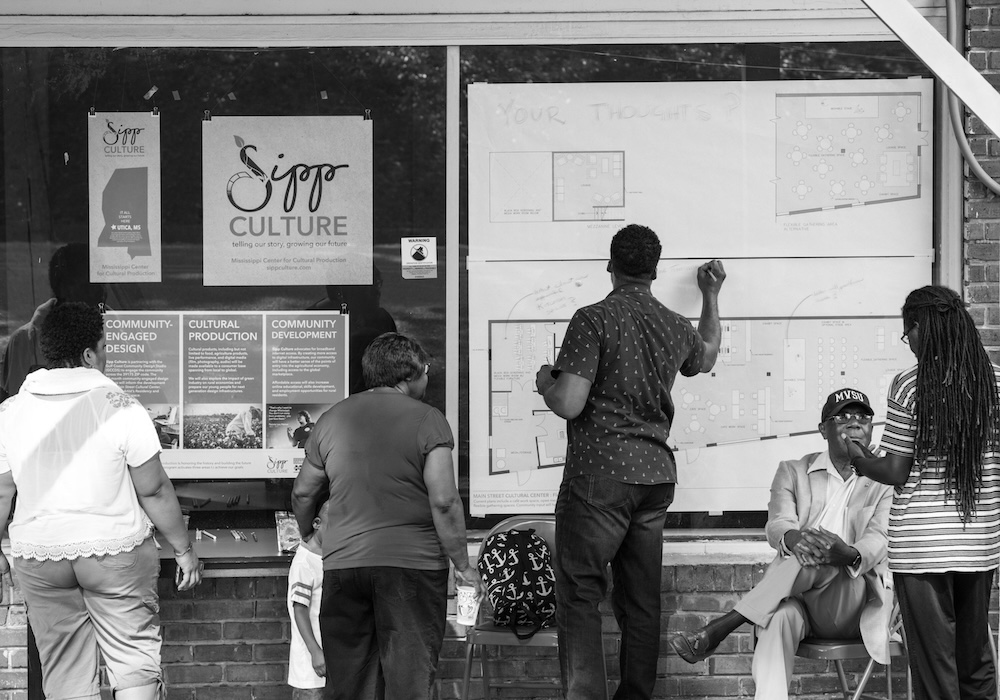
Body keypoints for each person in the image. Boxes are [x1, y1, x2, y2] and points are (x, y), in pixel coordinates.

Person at [534, 223, 725, 700]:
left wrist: (545, 383)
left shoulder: (593, 318)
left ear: (610, 266)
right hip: (655, 479)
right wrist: (711, 295)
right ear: (655, 271)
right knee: (640, 603)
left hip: (600, 476)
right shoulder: (674, 325)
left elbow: (570, 402)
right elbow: (707, 356)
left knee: (580, 596)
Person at [0, 301, 202, 700]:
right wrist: (183, 549)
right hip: (114, 552)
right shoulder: (122, 407)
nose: (107, 355)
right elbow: (155, 489)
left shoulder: (11, 411)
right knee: (132, 659)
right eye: (105, 346)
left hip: (39, 555)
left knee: (65, 669)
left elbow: (2, 491)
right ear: (89, 353)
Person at [291, 331, 483, 700]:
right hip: (412, 569)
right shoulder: (428, 420)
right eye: (426, 370)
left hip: (345, 566)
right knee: (409, 683)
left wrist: (311, 538)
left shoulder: (331, 419)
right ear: (409, 376)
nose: (428, 377)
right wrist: (462, 565)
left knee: (351, 684)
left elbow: (303, 491)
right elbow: (444, 501)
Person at [667, 388, 893, 699]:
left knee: (819, 558)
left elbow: (881, 537)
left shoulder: (885, 478)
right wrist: (798, 539)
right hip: (802, 600)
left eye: (862, 417)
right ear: (822, 429)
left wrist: (846, 553)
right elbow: (779, 523)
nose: (854, 423)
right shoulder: (793, 470)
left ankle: (722, 626)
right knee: (778, 618)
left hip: (853, 600)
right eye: (842, 416)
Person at [844, 285, 1000, 700]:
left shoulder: (911, 384)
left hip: (923, 546)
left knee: (935, 669)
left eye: (907, 332)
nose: (908, 343)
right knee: (975, 661)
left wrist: (860, 458)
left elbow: (896, 469)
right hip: (979, 544)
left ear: (920, 328)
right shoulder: (994, 383)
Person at [1, 242, 107, 401]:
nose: (102, 291)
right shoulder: (24, 340)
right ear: (64, 288)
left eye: (102, 284)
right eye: (90, 284)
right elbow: (14, 402)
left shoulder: (123, 329)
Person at [308, 265, 397, 394]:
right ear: (342, 290)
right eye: (369, 286)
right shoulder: (313, 320)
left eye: (377, 284)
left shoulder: (381, 319)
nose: (377, 291)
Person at [288, 501, 330, 699]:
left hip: (328, 662)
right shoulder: (305, 562)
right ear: (317, 523)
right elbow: (299, 610)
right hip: (311, 666)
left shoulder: (325, 557)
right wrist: (315, 652)